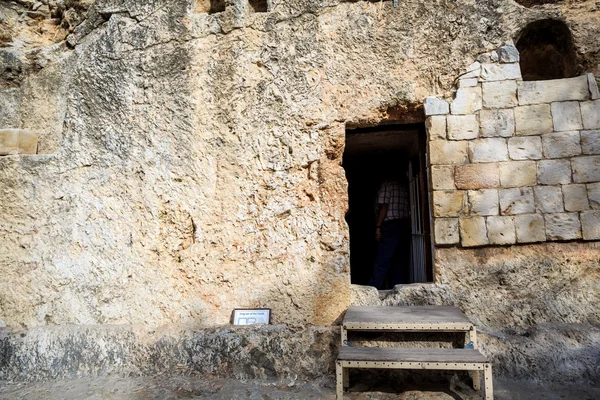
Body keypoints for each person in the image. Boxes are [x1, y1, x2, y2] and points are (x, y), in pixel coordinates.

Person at [368, 178, 411, 290]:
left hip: (390, 225)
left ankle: (373, 290)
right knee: (399, 260)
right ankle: (397, 289)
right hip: (403, 224)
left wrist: (378, 226)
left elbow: (384, 206)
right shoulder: (402, 187)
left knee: (382, 259)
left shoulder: (387, 185)